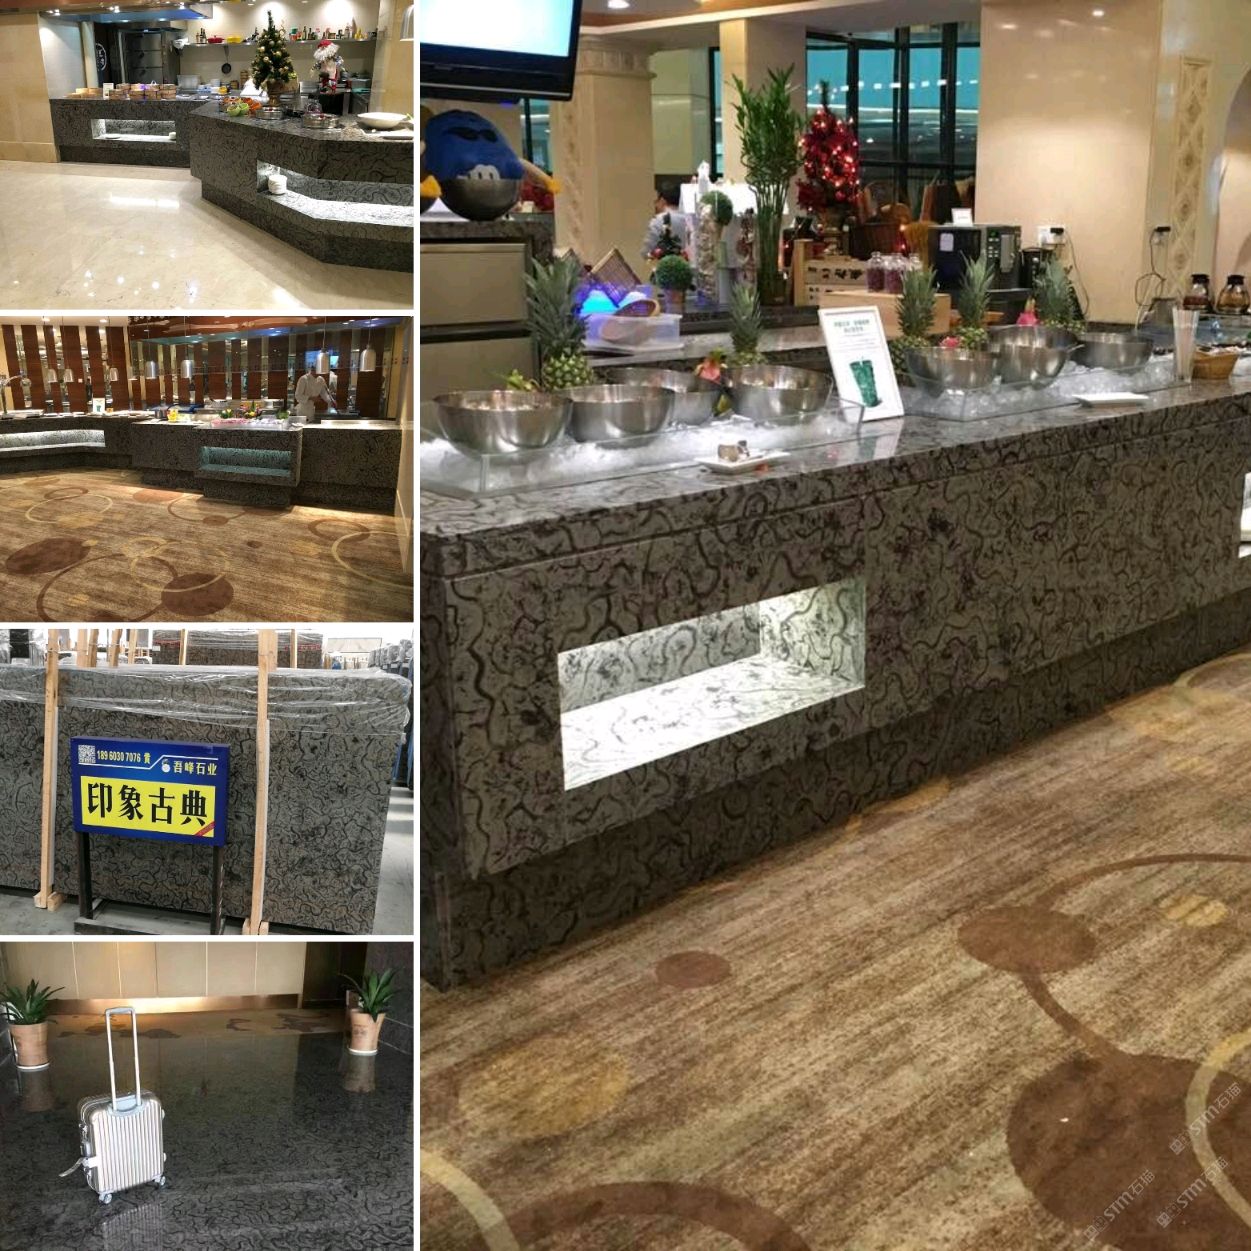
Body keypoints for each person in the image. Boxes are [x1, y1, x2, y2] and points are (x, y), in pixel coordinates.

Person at [642, 182, 691, 261]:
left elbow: (646, 254)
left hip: (667, 267)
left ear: (662, 201)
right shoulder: (692, 219)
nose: (655, 204)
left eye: (656, 201)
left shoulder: (658, 221)